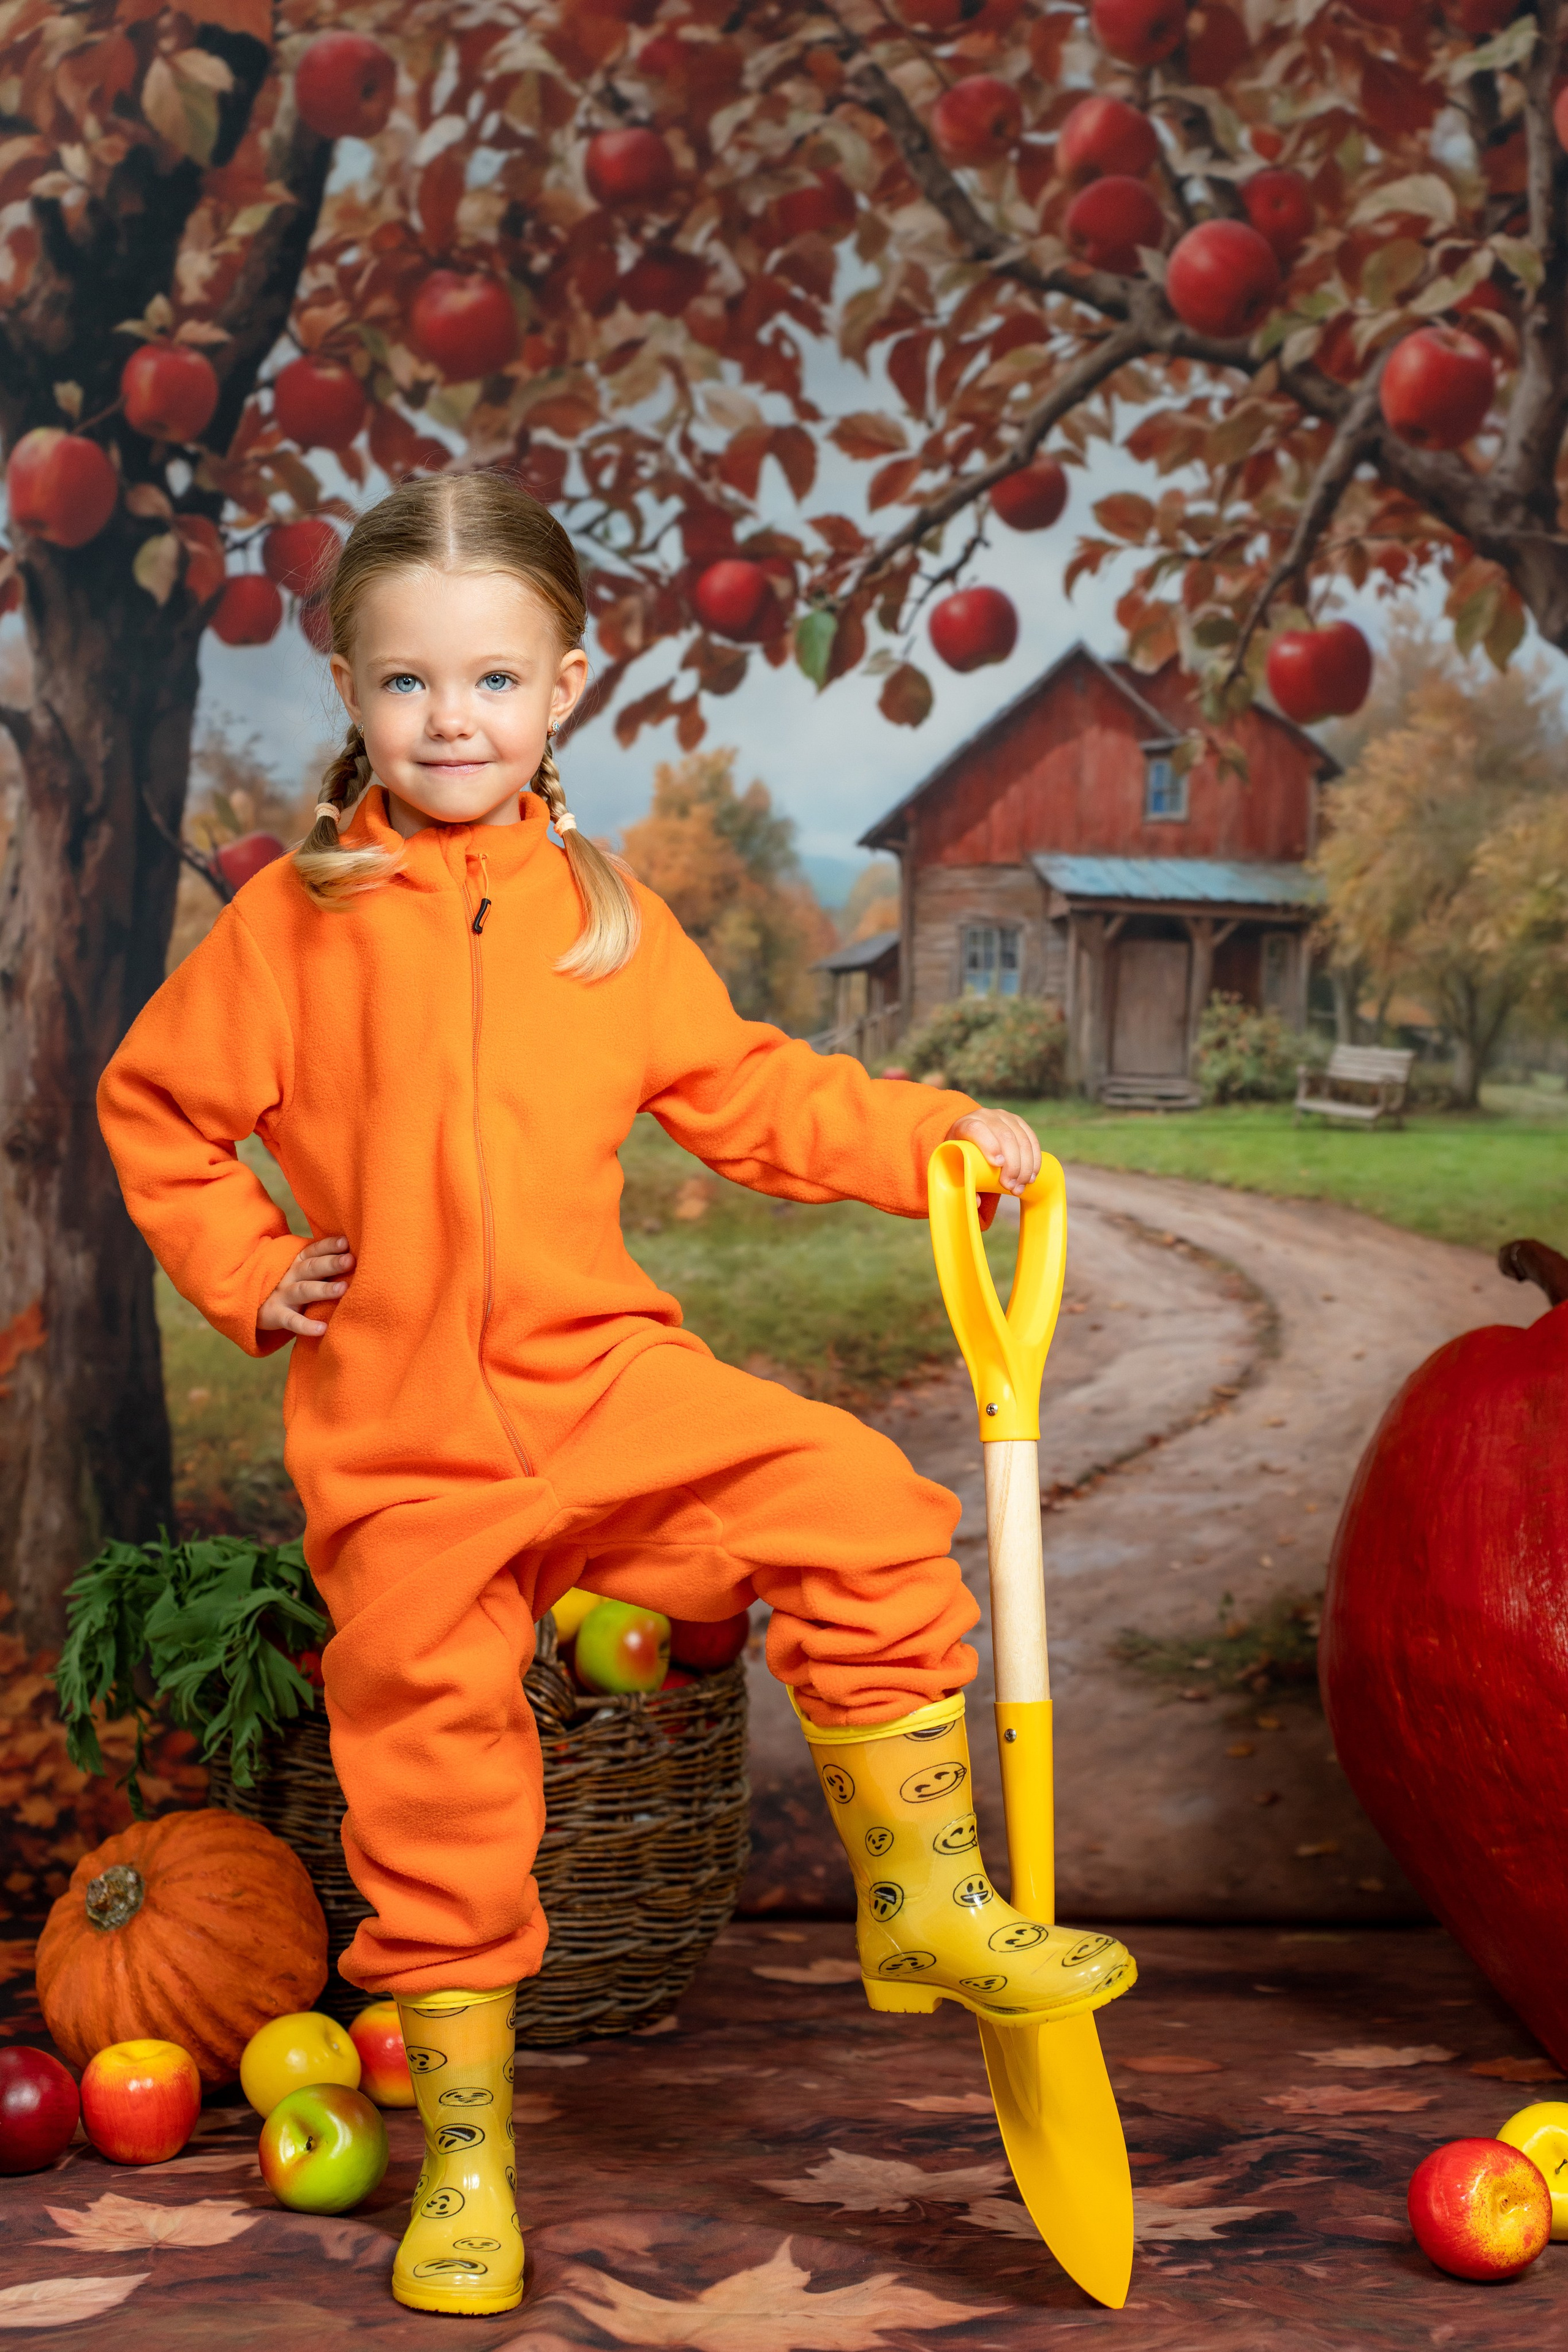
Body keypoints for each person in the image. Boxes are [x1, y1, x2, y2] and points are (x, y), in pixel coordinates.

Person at [97, 472, 1135, 2318]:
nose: (453, 721)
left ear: (563, 688)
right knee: (432, 1753)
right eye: (410, 686)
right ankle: (471, 2154)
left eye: (493, 683)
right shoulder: (297, 925)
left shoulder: (606, 921)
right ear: (351, 690)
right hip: (402, 1434)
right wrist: (261, 1278)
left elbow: (751, 1092)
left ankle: (921, 1894)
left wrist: (929, 1139)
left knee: (854, 1496)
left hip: (601, 1385)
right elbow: (160, 1116)